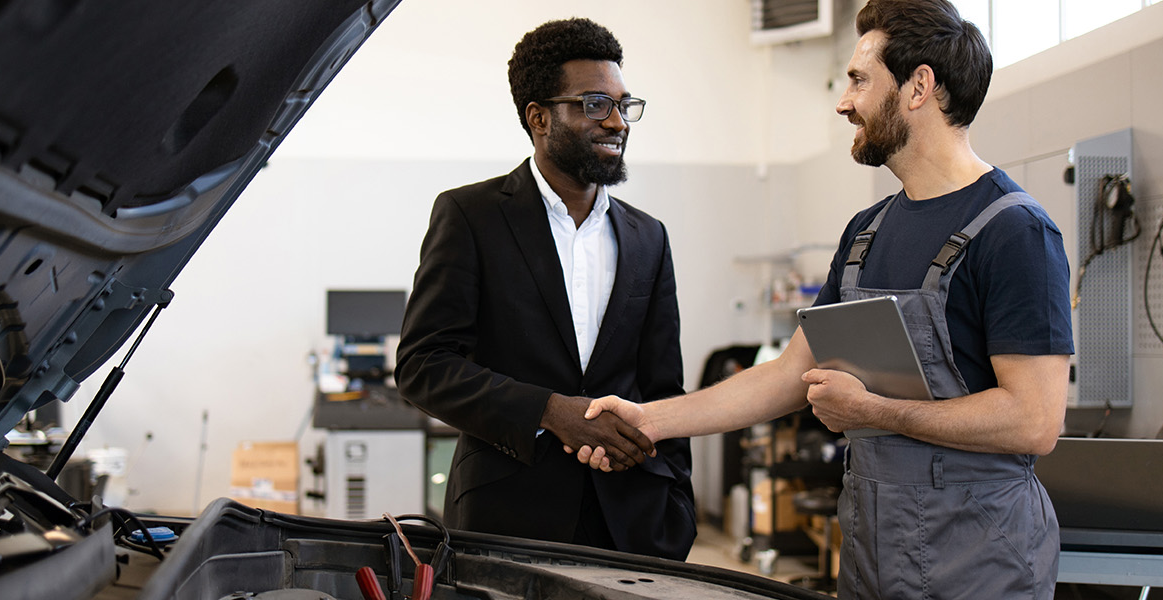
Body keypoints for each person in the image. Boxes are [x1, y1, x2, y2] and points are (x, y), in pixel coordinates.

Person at [580, 0, 1072, 595]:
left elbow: (1034, 421)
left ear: (919, 87)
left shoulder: (1015, 231)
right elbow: (789, 373)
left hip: (980, 559)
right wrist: (648, 420)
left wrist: (874, 413)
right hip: (872, 550)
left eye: (859, 80)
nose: (844, 102)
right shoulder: (867, 232)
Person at [395, 18, 696, 560]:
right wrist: (549, 410)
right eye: (596, 104)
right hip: (505, 519)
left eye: (625, 106)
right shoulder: (471, 216)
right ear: (539, 117)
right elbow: (424, 365)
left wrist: (676, 502)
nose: (618, 122)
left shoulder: (648, 237)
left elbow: (663, 386)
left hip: (632, 522)